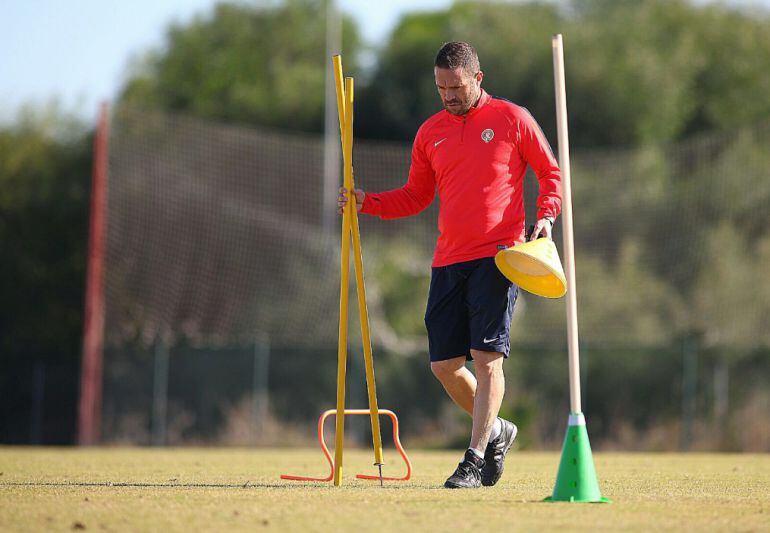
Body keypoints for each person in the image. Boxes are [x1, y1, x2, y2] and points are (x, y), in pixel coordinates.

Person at [338, 41, 561, 488]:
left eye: (456, 87)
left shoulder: (512, 119)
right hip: (448, 260)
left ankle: (474, 459)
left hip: (500, 256)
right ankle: (498, 430)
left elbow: (551, 172)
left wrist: (546, 216)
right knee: (443, 365)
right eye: (441, 89)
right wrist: (368, 203)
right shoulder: (430, 133)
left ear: (478, 78)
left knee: (487, 359)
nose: (449, 96)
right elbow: (416, 196)